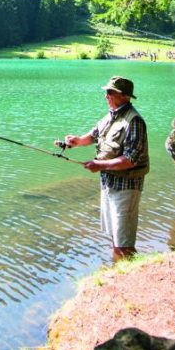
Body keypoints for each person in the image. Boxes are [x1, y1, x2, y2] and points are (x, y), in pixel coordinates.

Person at [55, 76, 149, 262]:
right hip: (108, 184)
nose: (105, 95)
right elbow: (94, 135)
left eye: (109, 92)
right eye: (106, 91)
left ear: (123, 96)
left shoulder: (134, 121)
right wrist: (77, 141)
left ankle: (131, 274)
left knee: (124, 241)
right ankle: (119, 270)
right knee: (116, 235)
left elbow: (131, 160)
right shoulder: (111, 115)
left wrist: (99, 165)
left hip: (126, 187)